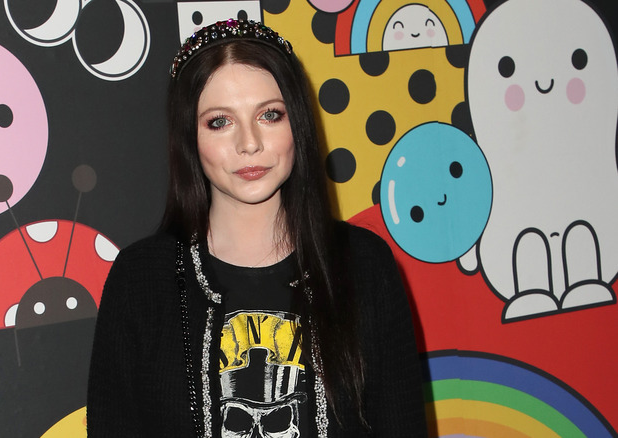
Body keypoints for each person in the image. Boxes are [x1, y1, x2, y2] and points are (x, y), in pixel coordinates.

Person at [87, 19, 426, 437]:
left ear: (296, 124)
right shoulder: (141, 279)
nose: (249, 142)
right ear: (188, 137)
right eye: (219, 122)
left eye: (269, 115)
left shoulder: (363, 264)